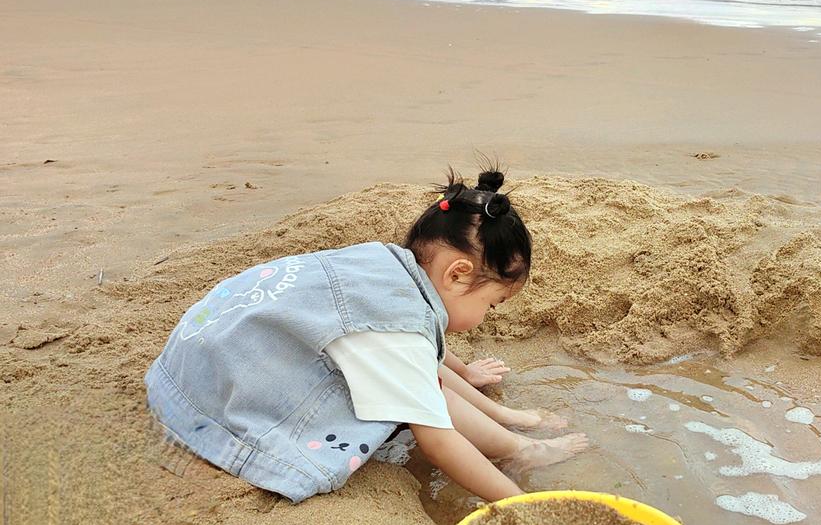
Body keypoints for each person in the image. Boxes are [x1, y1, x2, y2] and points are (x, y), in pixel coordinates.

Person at [144, 168, 588, 503]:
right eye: (491, 304)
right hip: (212, 396)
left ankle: (509, 426)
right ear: (457, 274)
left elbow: (419, 346)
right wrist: (517, 500)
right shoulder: (400, 330)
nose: (487, 316)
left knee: (419, 380)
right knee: (424, 397)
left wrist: (468, 376)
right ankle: (519, 448)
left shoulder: (385, 267)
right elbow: (438, 441)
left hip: (203, 346)